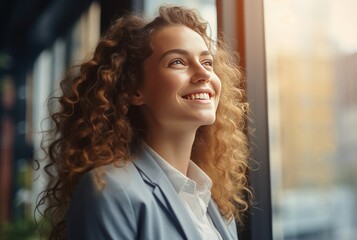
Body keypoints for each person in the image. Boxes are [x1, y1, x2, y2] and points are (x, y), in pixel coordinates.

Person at [36, 5, 251, 240]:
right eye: (177, 62)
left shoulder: (216, 207)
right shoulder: (110, 191)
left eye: (207, 62)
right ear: (134, 90)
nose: (204, 74)